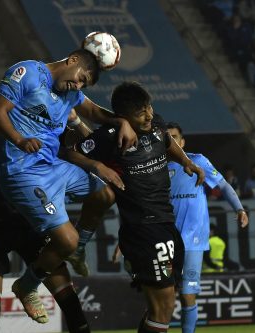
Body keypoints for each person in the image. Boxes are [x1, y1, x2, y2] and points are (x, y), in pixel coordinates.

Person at [0, 48, 137, 321]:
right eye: (80, 78)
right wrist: (19, 140)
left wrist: (122, 121)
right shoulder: (27, 72)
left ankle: (79, 249)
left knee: (105, 194)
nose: (79, 85)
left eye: (84, 84)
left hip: (54, 168)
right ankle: (27, 285)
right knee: (66, 239)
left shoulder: (71, 94)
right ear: (72, 60)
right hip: (23, 171)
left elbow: (95, 112)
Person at [68, 82, 204, 333]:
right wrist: (98, 166)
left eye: (149, 108)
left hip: (165, 224)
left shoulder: (157, 124)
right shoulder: (111, 136)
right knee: (163, 309)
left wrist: (186, 161)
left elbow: (165, 139)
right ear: (123, 117)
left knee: (161, 308)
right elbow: (69, 152)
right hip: (144, 228)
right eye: (141, 112)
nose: (149, 115)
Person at [0, 127, 97, 332]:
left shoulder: (48, 127)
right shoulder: (6, 123)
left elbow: (78, 142)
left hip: (33, 222)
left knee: (70, 304)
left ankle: (28, 285)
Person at [166, 122, 249, 333]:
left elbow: (222, 185)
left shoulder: (197, 160)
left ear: (182, 141)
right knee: (163, 295)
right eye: (168, 138)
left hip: (193, 239)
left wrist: (239, 209)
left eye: (175, 137)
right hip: (166, 239)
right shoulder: (157, 168)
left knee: (187, 295)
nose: (172, 141)